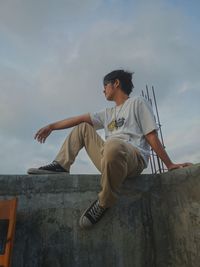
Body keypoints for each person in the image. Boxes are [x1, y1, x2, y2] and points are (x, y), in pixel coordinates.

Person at [27, 70, 192, 229]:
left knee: (112, 144)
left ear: (116, 83)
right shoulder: (107, 113)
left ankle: (104, 202)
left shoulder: (138, 102)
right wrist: (51, 126)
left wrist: (169, 164)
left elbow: (151, 135)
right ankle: (61, 165)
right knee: (83, 127)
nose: (103, 90)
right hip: (110, 158)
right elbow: (77, 119)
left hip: (133, 157)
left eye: (105, 85)